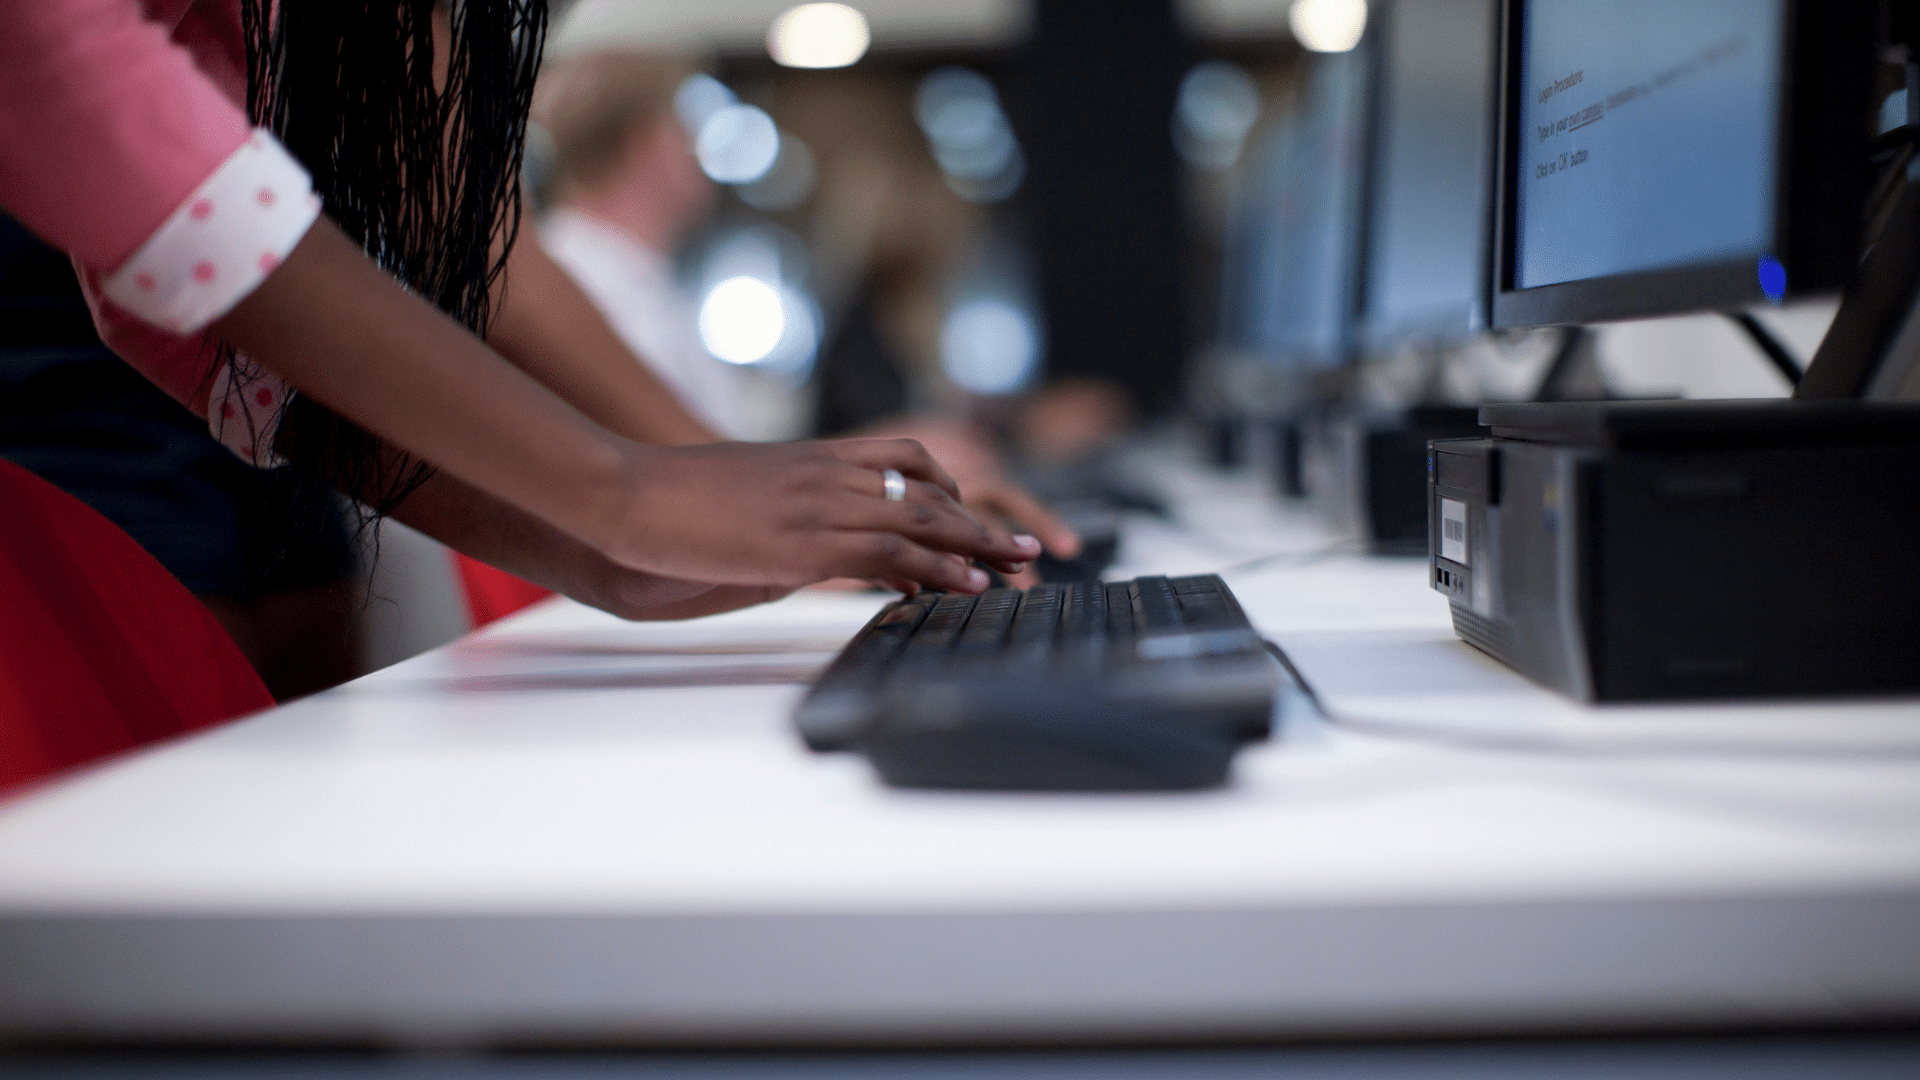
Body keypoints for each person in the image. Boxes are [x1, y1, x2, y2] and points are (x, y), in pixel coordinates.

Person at [0, 0, 1041, 781]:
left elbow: (462, 239)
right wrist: (630, 495)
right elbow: (87, 103)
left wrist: (647, 531)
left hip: (239, 358)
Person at [535, 52, 1080, 580]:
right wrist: (880, 494)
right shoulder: (578, 281)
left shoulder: (633, 279)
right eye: (687, 134)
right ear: (646, 144)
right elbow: (672, 500)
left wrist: (887, 482)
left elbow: (705, 474)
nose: (702, 156)